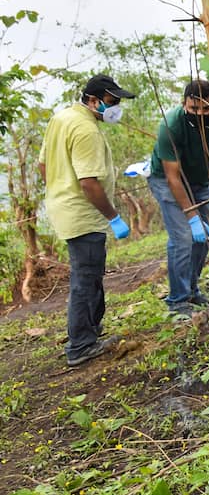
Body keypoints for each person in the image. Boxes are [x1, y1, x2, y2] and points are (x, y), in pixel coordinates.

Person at [38, 74, 135, 366]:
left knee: (88, 275)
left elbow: (43, 165)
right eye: (111, 101)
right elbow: (89, 183)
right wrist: (114, 217)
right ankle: (81, 345)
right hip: (82, 213)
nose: (116, 106)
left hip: (64, 208)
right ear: (93, 101)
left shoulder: (63, 118)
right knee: (85, 278)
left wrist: (58, 189)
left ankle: (89, 332)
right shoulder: (86, 130)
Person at [147, 79, 209, 320]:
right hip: (168, 182)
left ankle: (191, 290)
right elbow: (172, 177)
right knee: (183, 238)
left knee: (204, 240)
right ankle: (177, 301)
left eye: (206, 109)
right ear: (184, 104)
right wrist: (192, 217)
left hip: (199, 181)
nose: (200, 114)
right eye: (194, 109)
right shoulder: (172, 125)